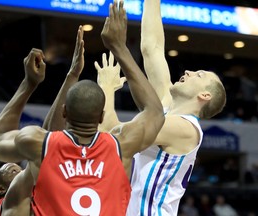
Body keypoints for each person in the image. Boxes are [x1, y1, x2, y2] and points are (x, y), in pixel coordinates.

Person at [0, 4, 165, 214]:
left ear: (64, 112)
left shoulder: (38, 143)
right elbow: (154, 112)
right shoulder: (122, 144)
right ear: (101, 117)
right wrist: (119, 48)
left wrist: (29, 84)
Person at [96, 0, 227, 215]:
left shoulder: (185, 129)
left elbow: (112, 135)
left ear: (204, 95)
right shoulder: (166, 108)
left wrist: (107, 89)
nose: (190, 72)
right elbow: (152, 49)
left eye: (199, 75)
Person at [0, 25, 86, 216]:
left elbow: (47, 142)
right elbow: (44, 146)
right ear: (1, 189)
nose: (20, 171)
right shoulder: (9, 202)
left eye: (16, 168)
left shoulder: (34, 193)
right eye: (12, 171)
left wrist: (71, 75)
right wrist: (29, 83)